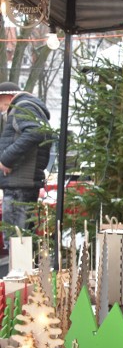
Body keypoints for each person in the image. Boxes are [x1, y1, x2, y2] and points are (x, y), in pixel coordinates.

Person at [0, 82, 51, 251]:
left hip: (19, 185)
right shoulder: (29, 108)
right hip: (23, 183)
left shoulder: (22, 108)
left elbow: (34, 132)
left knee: (17, 241)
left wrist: (7, 159)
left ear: (7, 97)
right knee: (23, 241)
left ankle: (18, 276)